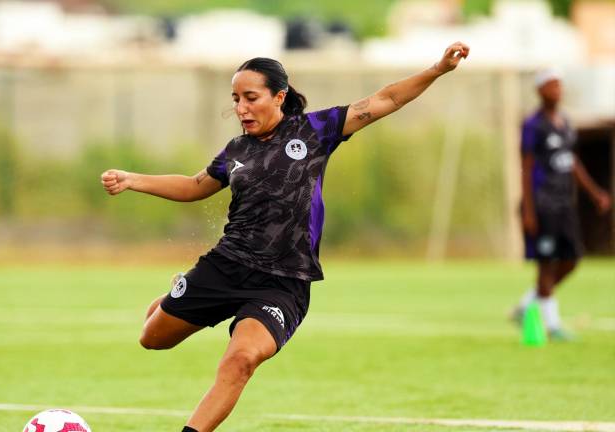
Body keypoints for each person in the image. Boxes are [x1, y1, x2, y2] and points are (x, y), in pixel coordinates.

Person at [101, 42, 470, 432]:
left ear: (279, 96)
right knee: (152, 338)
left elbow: (386, 99)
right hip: (226, 267)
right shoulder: (236, 151)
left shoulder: (315, 131)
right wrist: (132, 179)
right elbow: (195, 186)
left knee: (241, 360)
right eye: (235, 99)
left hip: (283, 283)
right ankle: (181, 290)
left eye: (250, 97)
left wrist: (437, 68)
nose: (241, 108)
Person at [512, 69, 612, 340]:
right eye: (551, 85)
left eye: (559, 85)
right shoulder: (533, 125)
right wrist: (528, 211)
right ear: (540, 91)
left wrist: (595, 193)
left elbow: (572, 163)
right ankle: (553, 325)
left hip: (564, 203)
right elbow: (526, 166)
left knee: (571, 259)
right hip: (542, 203)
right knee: (546, 262)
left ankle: (525, 304)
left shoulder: (565, 122)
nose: (557, 90)